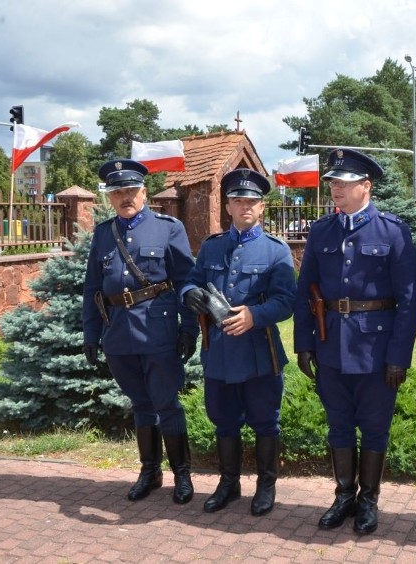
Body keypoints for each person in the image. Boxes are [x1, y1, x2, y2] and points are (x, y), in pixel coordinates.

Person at [294, 148, 416, 535]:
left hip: (377, 351)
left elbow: (409, 299)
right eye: (333, 182)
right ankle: (344, 495)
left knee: (375, 427)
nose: (336, 189)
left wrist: (399, 355)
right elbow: (306, 291)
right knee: (339, 427)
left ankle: (369, 501)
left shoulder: (392, 230)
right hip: (331, 346)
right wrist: (304, 343)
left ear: (366, 187)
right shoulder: (321, 231)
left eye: (344, 183)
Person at [82, 158, 198, 505]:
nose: (125, 197)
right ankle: (150, 472)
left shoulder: (168, 228)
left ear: (144, 192)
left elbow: (185, 281)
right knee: (140, 404)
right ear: (110, 197)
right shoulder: (104, 234)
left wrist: (189, 328)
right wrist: (91, 334)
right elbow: (93, 289)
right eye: (118, 192)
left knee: (166, 403)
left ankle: (182, 474)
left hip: (158, 330)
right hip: (118, 333)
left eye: (131, 190)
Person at [182, 168, 296, 516]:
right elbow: (190, 282)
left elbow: (287, 302)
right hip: (219, 352)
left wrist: (255, 315)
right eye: (238, 200)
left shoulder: (276, 251)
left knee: (265, 421)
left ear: (262, 207)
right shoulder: (212, 247)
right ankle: (228, 484)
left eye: (252, 201)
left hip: (260, 354)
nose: (245, 206)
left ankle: (266, 486)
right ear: (227, 206)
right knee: (224, 420)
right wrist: (190, 295)